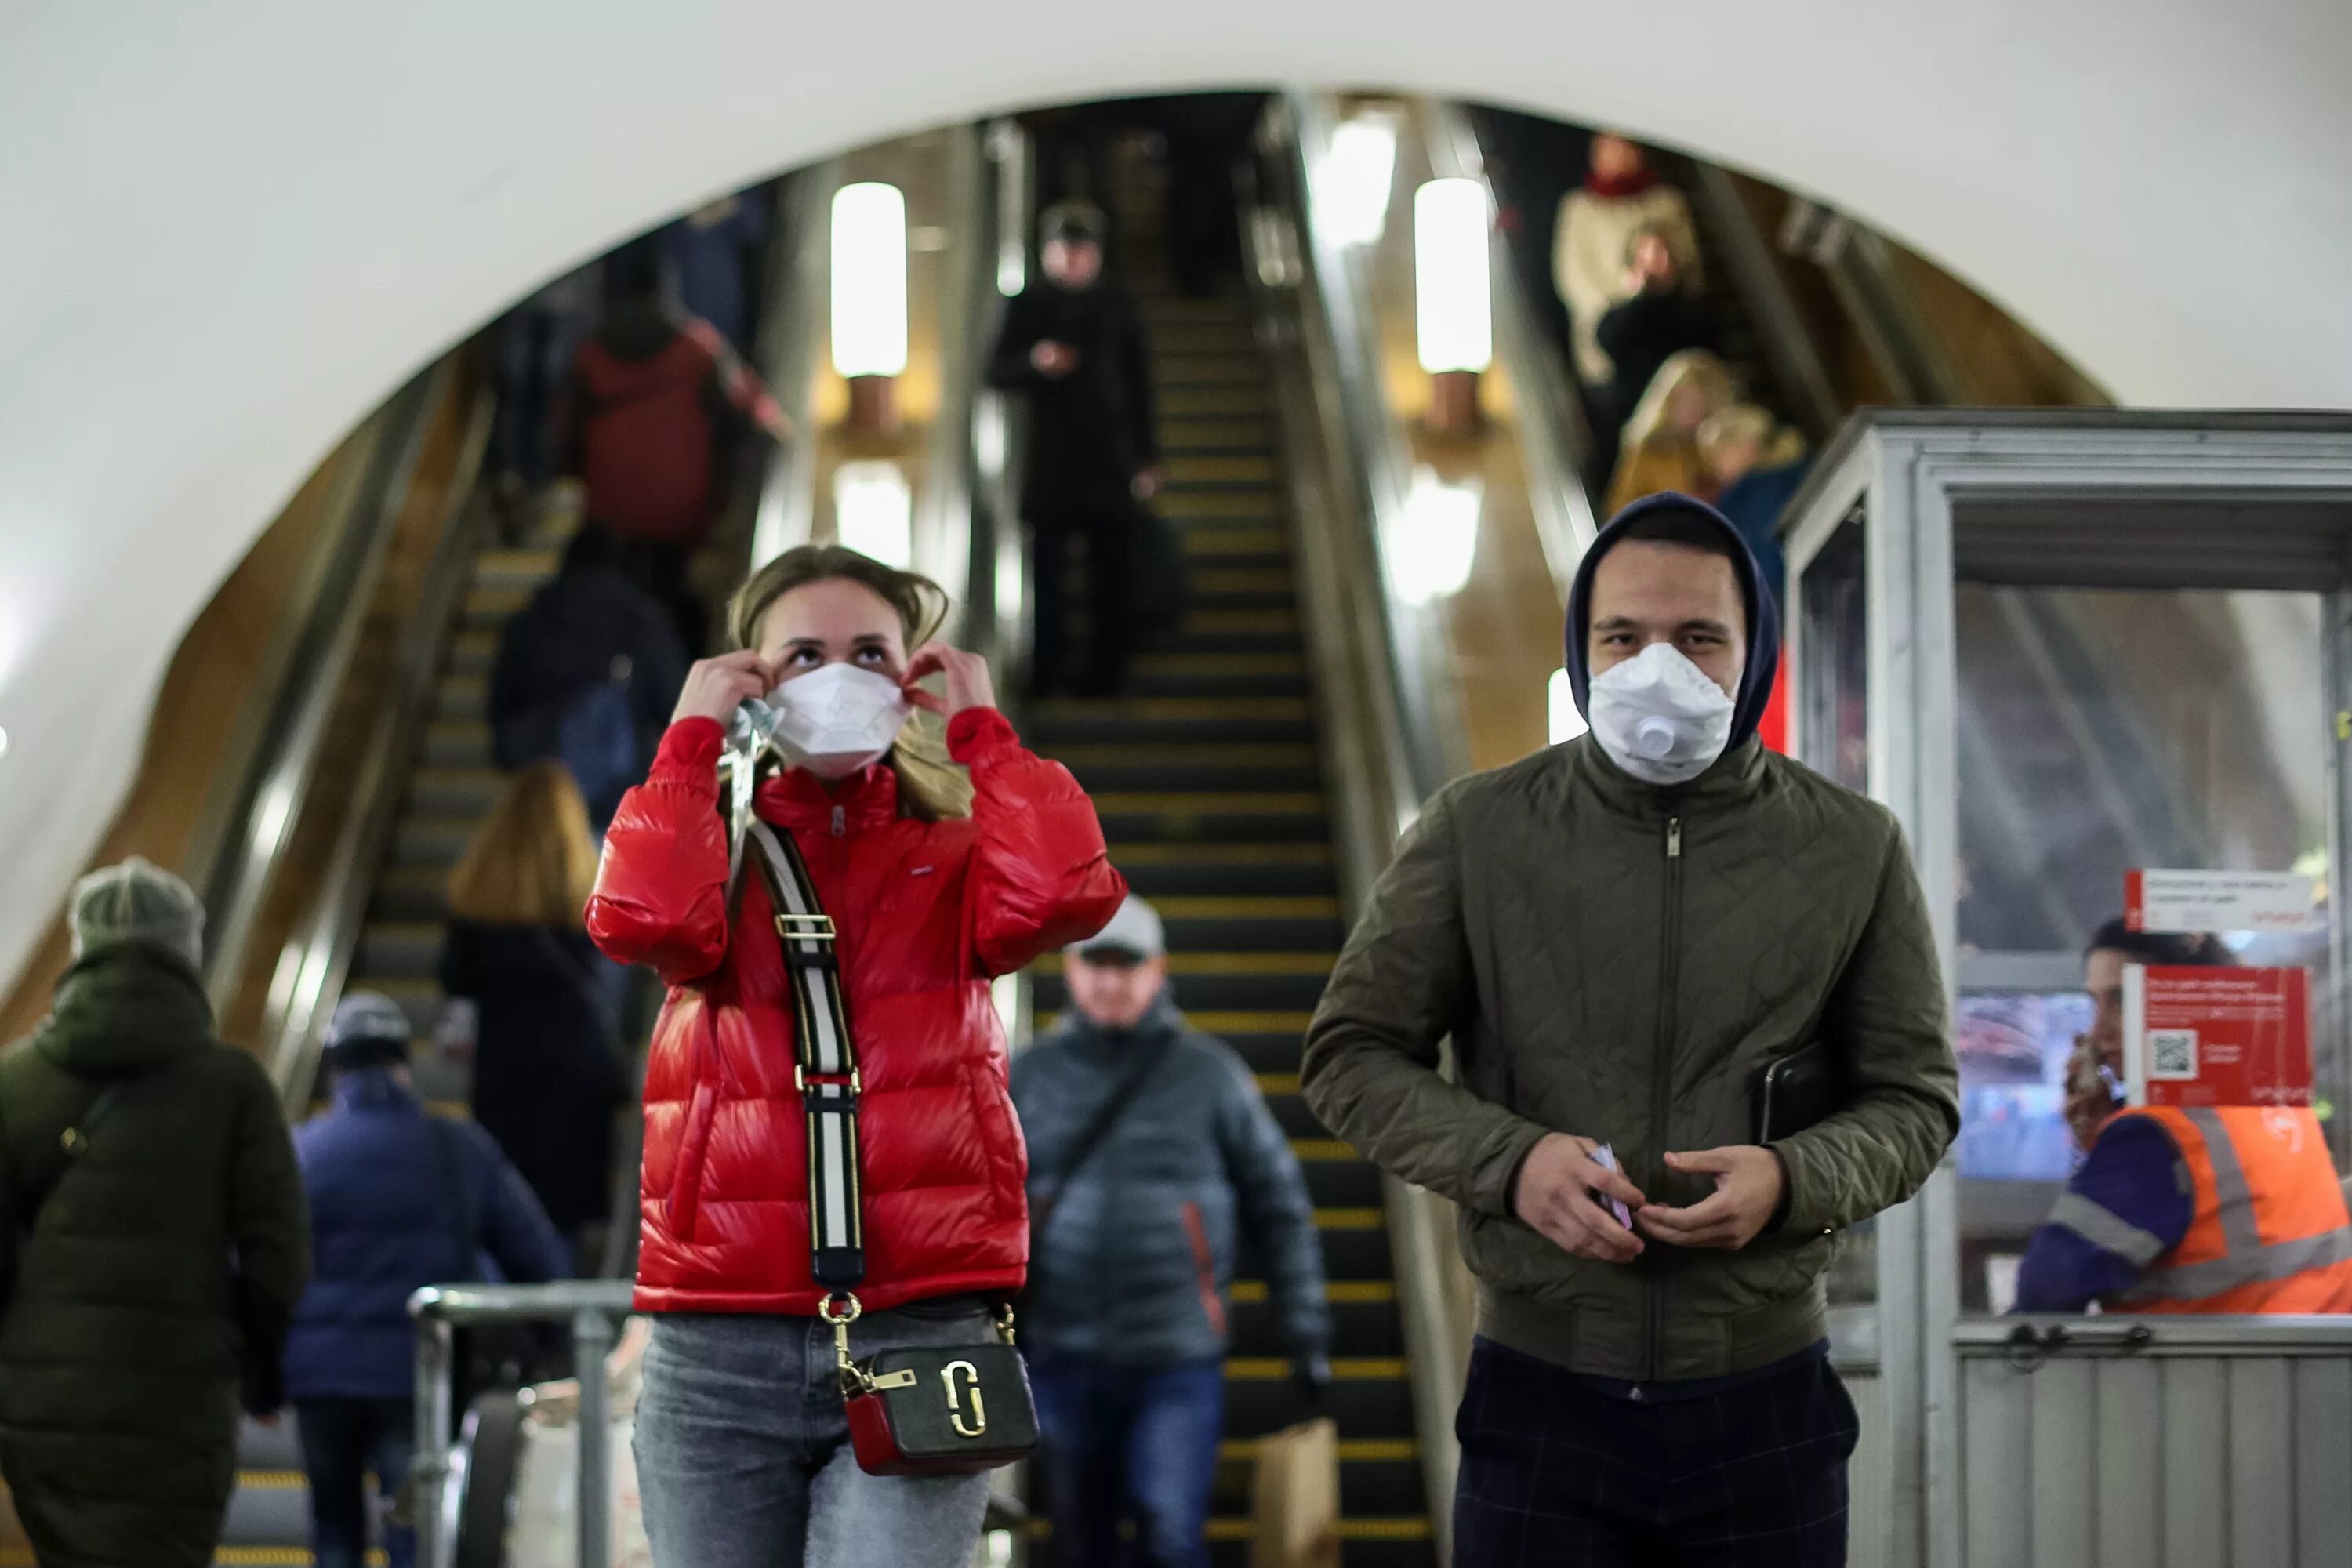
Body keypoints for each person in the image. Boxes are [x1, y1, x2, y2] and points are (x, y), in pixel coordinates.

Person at [1301, 495, 1960, 1566]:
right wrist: (1512, 1166)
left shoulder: (1852, 848)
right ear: (1582, 652)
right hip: (1542, 1393)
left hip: (1765, 1399)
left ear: (1754, 656)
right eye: (1624, 637)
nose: (1661, 666)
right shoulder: (1479, 829)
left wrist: (1793, 1180)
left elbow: (1916, 1099)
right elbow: (1350, 1056)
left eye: (1700, 637)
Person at [586, 543, 1127, 1568]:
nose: (839, 675)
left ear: (911, 675)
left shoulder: (957, 855)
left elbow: (1067, 892)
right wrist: (688, 742)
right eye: (804, 655)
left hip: (924, 1328)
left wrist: (981, 727)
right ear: (754, 678)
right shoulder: (717, 854)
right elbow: (641, 916)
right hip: (719, 1341)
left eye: (871, 652)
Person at [0, 858, 310, 1568]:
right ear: (185, 953)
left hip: (49, 1405)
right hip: (182, 1400)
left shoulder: (15, 1081)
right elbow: (279, 1256)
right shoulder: (234, 1088)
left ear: (82, 950)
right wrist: (257, 1362)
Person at [1014, 895, 1330, 1568]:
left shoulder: (1210, 1076)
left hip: (1176, 1358)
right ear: (1070, 972)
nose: (1109, 981)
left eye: (1125, 966)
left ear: (1158, 971)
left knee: (1171, 1536)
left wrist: (1305, 1327)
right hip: (1060, 1353)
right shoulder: (1030, 1077)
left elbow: (1280, 1205)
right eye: (1094, 964)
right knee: (1079, 1545)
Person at [285, 992, 573, 1568]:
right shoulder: (457, 1146)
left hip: (319, 1377)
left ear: (336, 1068)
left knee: (335, 1528)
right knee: (415, 1528)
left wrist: (262, 1377)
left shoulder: (300, 1151)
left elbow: (262, 1264)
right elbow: (533, 1251)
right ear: (402, 1064)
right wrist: (557, 1338)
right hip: (415, 1371)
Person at [2016, 920, 2352, 1313]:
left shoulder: (2154, 1135)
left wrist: (2114, 1144)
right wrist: (2101, 1139)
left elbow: (2044, 1291)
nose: (2098, 1031)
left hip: (2207, 1371)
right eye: (2095, 1003)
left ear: (2189, 1003)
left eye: (2123, 1001)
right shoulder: (2275, 1101)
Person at [561, 235, 792, 654]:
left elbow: (564, 434)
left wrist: (581, 473)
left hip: (610, 507)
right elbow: (756, 418)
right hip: (681, 507)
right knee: (670, 607)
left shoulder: (590, 356)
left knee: (614, 618)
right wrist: (727, 494)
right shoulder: (696, 348)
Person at [441, 764, 631, 1259]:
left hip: (503, 1068)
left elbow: (455, 984)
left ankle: (504, 1323)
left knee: (504, 1201)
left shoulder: (476, 894)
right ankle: (557, 1320)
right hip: (574, 1065)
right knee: (560, 1211)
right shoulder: (587, 888)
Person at [985, 201, 1160, 697]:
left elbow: (1140, 384)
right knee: (1048, 576)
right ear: (1047, 255)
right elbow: (994, 373)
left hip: (1111, 460)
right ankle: (1047, 669)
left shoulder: (1118, 305)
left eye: (1082, 252)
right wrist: (1035, 363)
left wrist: (1149, 457)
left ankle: (1109, 672)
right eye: (1064, 251)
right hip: (1051, 464)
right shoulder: (1028, 304)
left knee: (1113, 574)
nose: (1073, 261)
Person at [489, 521, 692, 830]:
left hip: (545, 797)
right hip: (619, 800)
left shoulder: (529, 621)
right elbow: (678, 706)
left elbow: (500, 718)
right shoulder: (642, 621)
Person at [1554, 133, 1704, 390]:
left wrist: (1661, 277)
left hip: (1664, 330)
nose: (1618, 157)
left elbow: (1687, 260)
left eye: (1625, 149)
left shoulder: (1666, 202)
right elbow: (1573, 276)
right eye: (1609, 150)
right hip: (1612, 341)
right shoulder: (1580, 209)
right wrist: (1625, 293)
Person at [1593, 224, 1718, 443]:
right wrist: (1637, 297)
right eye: (1645, 256)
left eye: (1660, 252)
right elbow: (1610, 344)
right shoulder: (1621, 315)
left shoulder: (1691, 309)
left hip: (1688, 416)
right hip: (1637, 413)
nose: (1655, 263)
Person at [1603, 348, 1738, 515]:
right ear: (1667, 402)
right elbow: (1620, 510)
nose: (1691, 412)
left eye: (1699, 404)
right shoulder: (1647, 451)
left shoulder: (1719, 448)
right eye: (1685, 401)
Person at [1700, 403, 1809, 608]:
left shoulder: (1754, 494)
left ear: (1746, 446)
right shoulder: (1800, 479)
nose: (1714, 466)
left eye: (1718, 453)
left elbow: (1762, 563)